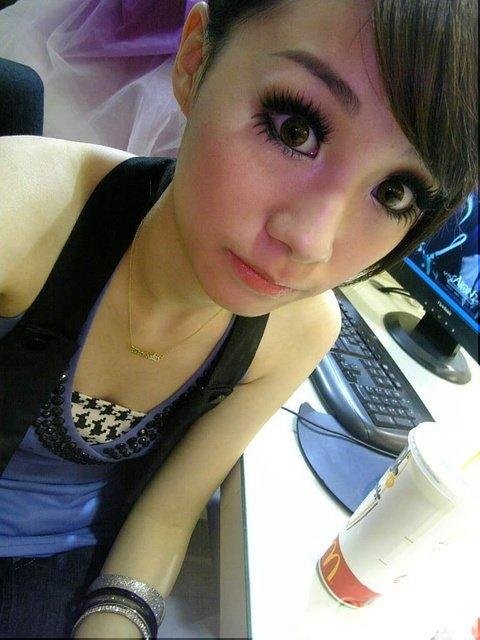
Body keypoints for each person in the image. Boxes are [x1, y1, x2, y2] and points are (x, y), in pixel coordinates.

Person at [0, 0, 477, 637]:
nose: (310, 242)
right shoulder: (19, 211)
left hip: (68, 570)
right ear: (195, 60)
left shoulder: (299, 332)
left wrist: (117, 620)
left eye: (395, 193)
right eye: (294, 129)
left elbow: (167, 513)